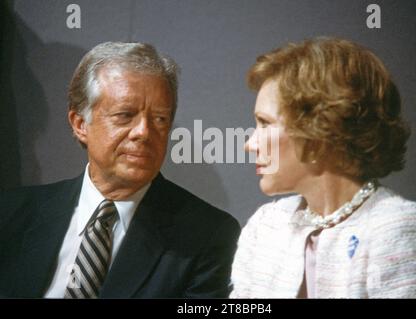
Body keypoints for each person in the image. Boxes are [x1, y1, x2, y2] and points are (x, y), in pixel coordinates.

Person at [0, 41, 240, 298]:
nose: (144, 132)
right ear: (80, 124)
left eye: (160, 118)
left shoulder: (207, 236)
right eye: (125, 115)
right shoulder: (12, 212)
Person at [230, 37, 416, 298]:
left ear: (319, 129)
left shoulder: (397, 228)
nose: (250, 144)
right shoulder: (265, 226)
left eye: (265, 123)